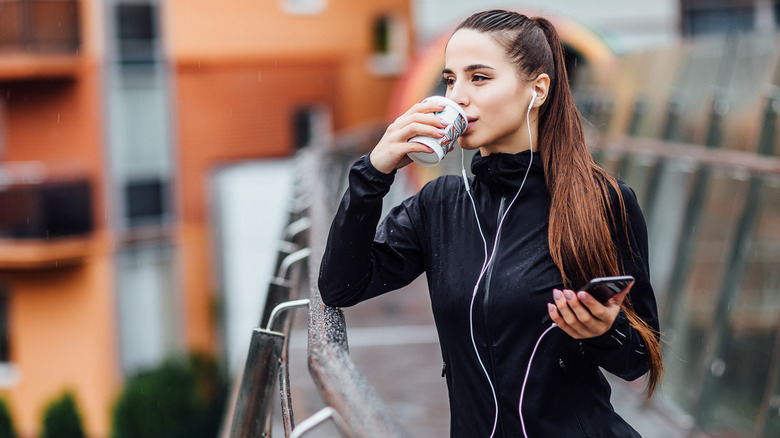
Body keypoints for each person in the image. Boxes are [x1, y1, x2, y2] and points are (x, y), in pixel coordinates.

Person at [318, 9, 663, 438]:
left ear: (536, 91)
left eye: (478, 78)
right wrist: (374, 171)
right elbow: (341, 286)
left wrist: (604, 331)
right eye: (449, 79)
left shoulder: (603, 200)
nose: (458, 96)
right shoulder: (439, 205)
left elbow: (640, 358)